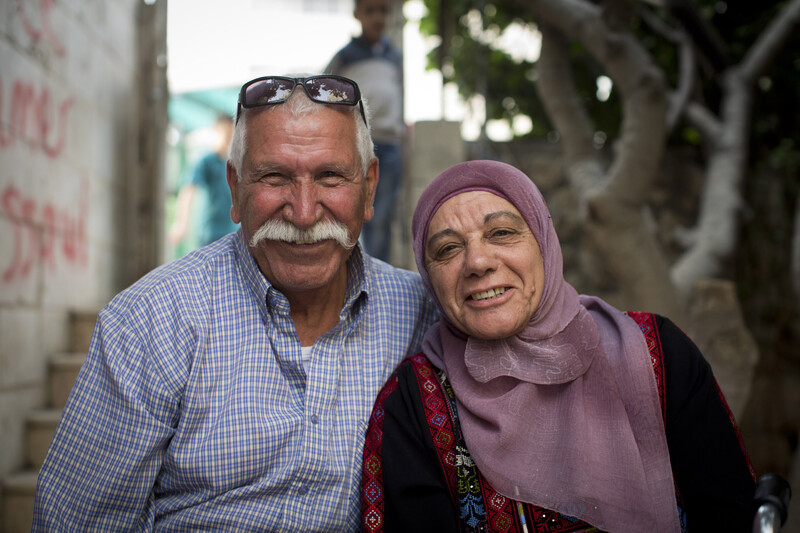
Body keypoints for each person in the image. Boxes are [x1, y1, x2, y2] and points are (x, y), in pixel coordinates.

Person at [32, 75, 437, 532]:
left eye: (330, 176)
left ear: (368, 188)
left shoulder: (421, 314)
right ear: (234, 188)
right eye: (274, 177)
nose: (304, 213)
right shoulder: (148, 322)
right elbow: (82, 522)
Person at [362, 160, 757, 533]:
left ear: (543, 242)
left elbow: (730, 513)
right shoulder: (415, 402)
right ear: (430, 279)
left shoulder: (653, 353)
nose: (478, 262)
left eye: (501, 232)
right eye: (447, 249)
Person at [326, 0, 404, 264]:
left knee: (381, 214)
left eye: (383, 11)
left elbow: (400, 99)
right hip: (356, 144)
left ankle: (375, 270)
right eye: (371, 11)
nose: (377, 17)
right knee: (349, 209)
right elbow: (324, 94)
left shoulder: (394, 57)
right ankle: (346, 268)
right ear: (358, 14)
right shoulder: (345, 56)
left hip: (390, 145)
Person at [169, 113, 239, 250]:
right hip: (210, 231)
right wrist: (181, 223)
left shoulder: (232, 162)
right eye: (226, 133)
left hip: (232, 231)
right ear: (217, 131)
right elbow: (188, 189)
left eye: (231, 134)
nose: (229, 138)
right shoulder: (206, 161)